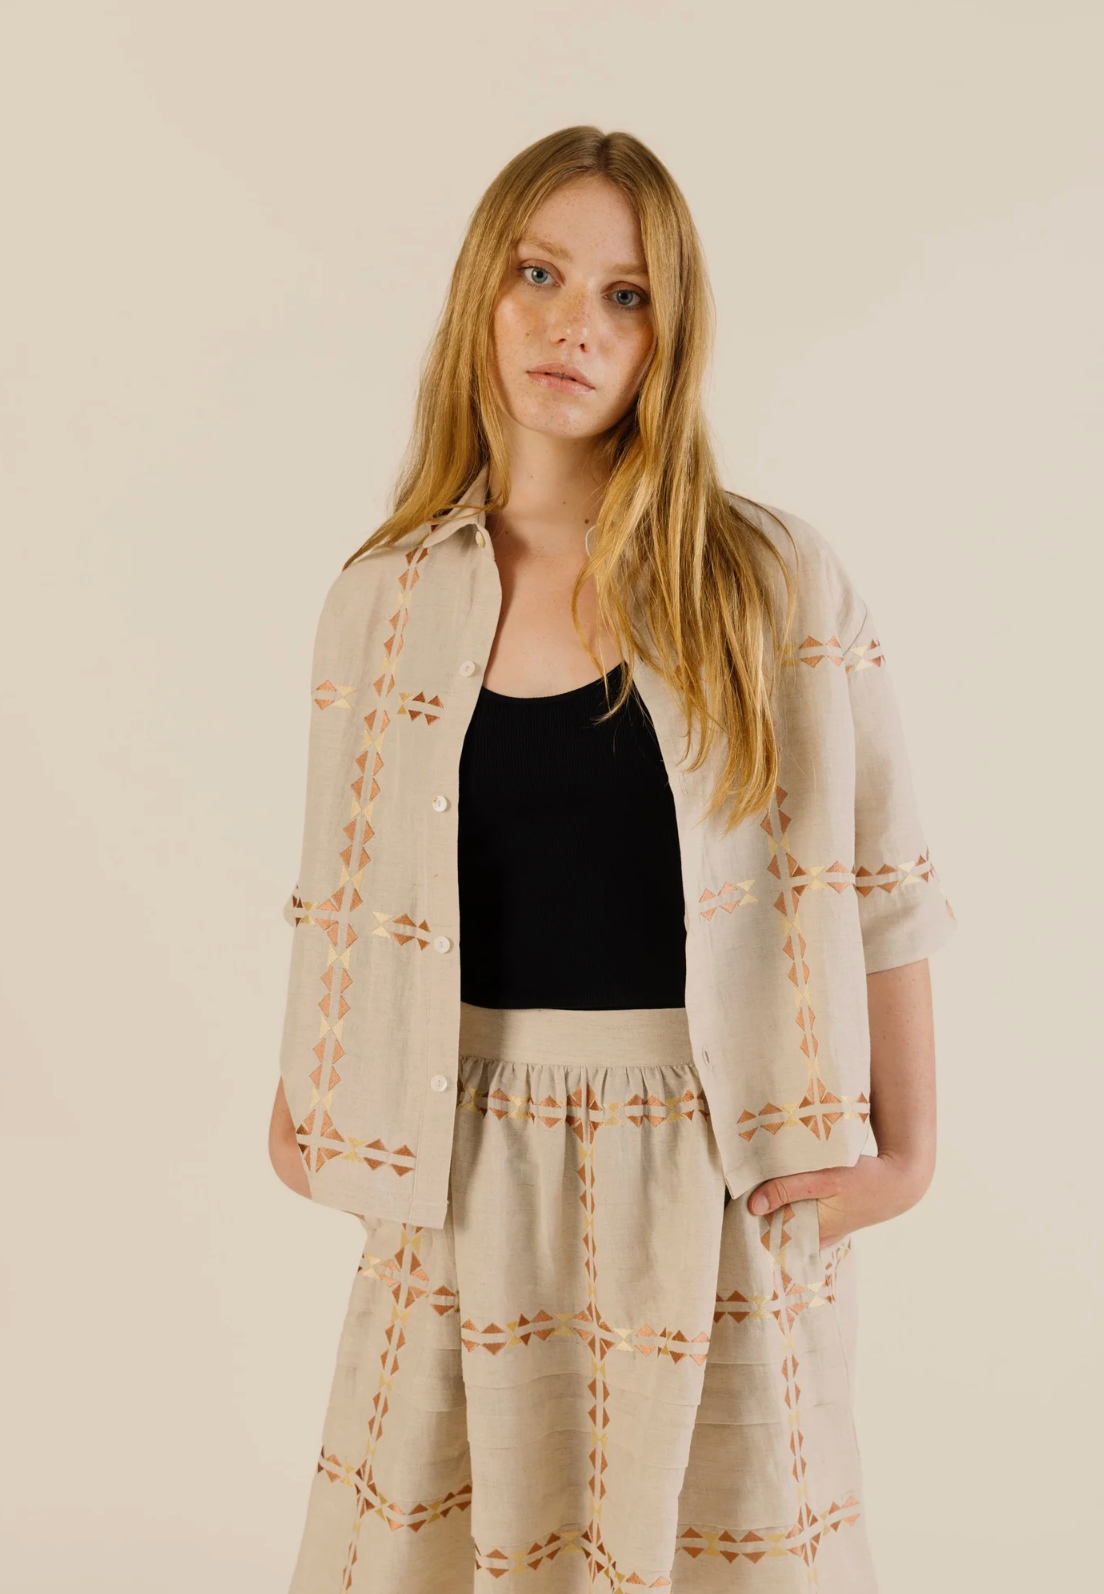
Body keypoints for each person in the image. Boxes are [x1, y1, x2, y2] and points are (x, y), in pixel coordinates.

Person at [267, 125, 957, 1593]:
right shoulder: (381, 600)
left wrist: (903, 1154)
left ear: (671, 337)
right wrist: (304, 1107)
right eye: (539, 273)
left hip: (716, 1163)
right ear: (482, 294)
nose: (573, 322)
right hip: (459, 1165)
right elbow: (342, 891)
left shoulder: (767, 580)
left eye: (625, 295)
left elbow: (879, 879)